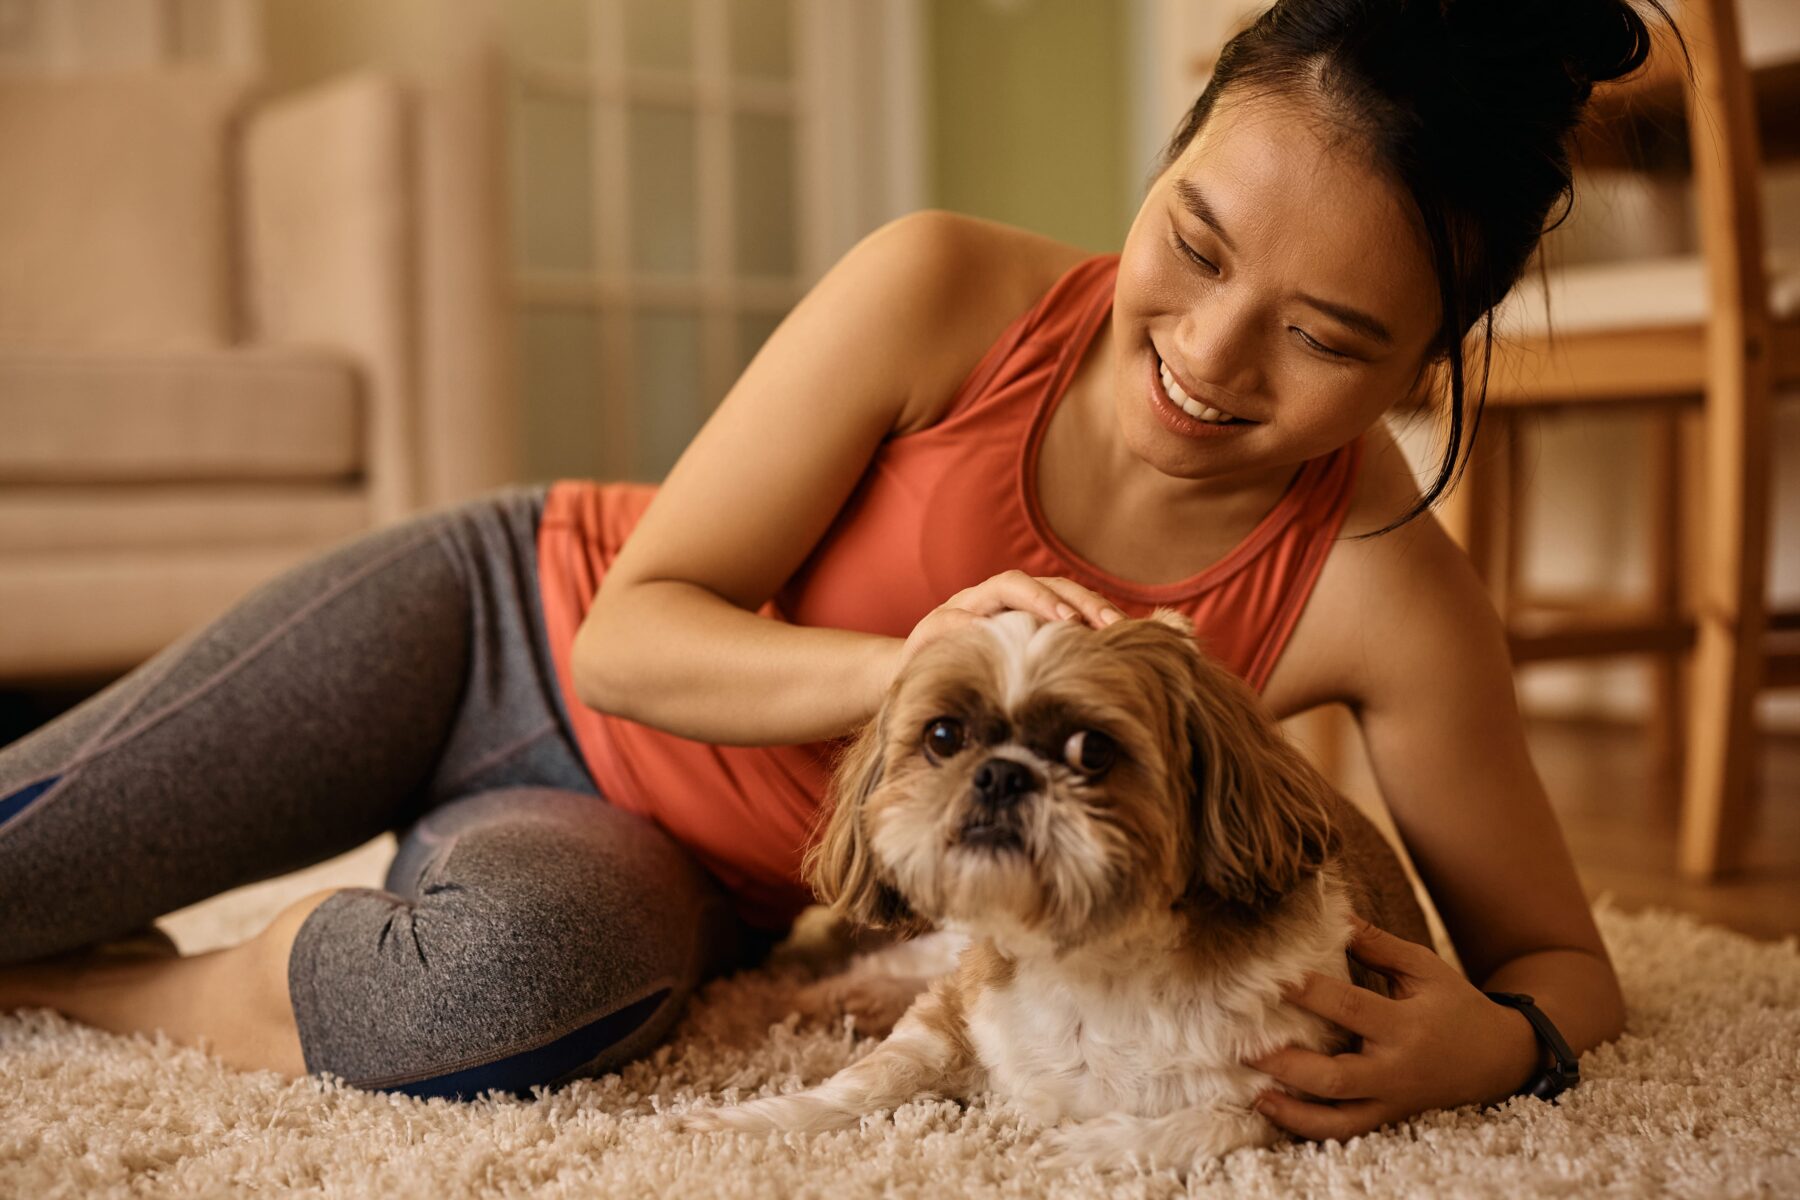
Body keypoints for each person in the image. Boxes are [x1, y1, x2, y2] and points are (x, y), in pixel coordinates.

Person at [0, 0, 1675, 1136]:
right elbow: (627, 644)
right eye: (1193, 242)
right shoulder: (946, 288)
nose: (1213, 356)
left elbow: (1563, 966)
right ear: (1159, 172)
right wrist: (912, 673)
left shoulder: (1383, 586)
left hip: (670, 864)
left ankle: (83, 985)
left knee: (491, 1007)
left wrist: (1501, 1047)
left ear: (1420, 368)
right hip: (495, 622)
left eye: (1324, 337)